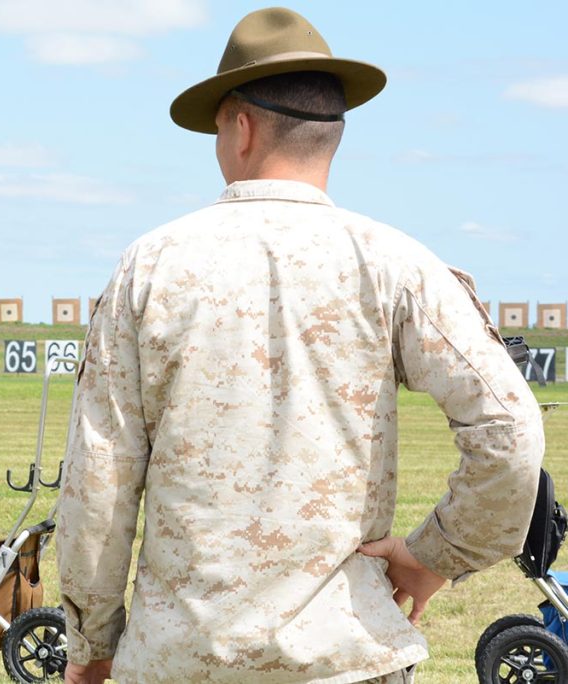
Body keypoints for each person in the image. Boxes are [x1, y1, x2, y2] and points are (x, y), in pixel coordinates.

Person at [56, 7, 545, 684]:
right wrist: (438, 553)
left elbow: (99, 482)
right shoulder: (395, 263)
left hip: (183, 660)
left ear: (242, 127)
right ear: (331, 134)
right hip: (346, 657)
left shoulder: (152, 265)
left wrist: (90, 643)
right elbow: (511, 428)